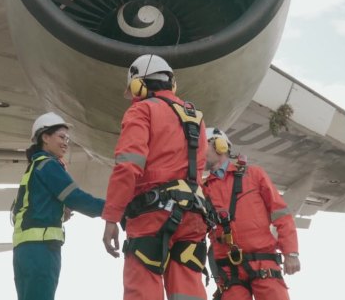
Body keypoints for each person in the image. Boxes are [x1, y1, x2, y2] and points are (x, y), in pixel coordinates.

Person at [102, 54, 211, 300]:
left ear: (139, 85)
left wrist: (111, 216)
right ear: (171, 84)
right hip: (193, 215)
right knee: (188, 291)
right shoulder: (195, 117)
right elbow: (198, 171)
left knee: (143, 287)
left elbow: (128, 167)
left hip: (153, 215)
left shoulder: (142, 110)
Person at [12, 112, 105, 300]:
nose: (66, 143)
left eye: (68, 139)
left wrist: (57, 211)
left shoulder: (33, 168)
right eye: (61, 137)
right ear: (45, 137)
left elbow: (19, 211)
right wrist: (115, 208)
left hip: (24, 252)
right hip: (42, 251)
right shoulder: (49, 165)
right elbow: (77, 199)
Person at [202, 128, 300, 300]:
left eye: (202, 146)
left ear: (220, 146)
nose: (198, 152)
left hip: (264, 262)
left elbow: (281, 214)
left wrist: (290, 252)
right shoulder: (203, 189)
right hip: (228, 271)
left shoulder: (254, 175)